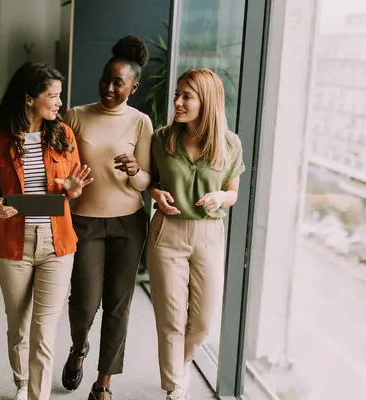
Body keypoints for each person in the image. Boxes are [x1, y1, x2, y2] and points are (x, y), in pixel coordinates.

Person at [0, 62, 93, 400]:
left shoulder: (63, 135)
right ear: (29, 98)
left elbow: (71, 190)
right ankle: (22, 384)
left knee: (43, 331)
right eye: (53, 96)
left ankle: (37, 396)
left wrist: (73, 190)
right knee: (19, 328)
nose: (60, 103)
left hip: (57, 245)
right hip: (12, 243)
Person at [61, 35, 153, 400]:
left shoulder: (141, 122)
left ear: (134, 86)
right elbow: (62, 169)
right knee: (84, 300)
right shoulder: (76, 116)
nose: (109, 88)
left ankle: (104, 381)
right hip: (84, 221)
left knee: (118, 303)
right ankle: (78, 347)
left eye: (119, 82)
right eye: (106, 79)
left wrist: (134, 170)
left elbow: (145, 180)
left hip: (128, 223)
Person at [147, 68, 245, 400]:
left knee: (202, 322)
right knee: (171, 318)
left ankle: (179, 364)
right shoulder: (161, 139)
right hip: (167, 233)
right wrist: (156, 194)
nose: (177, 101)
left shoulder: (230, 144)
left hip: (209, 235)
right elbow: (153, 183)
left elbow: (233, 192)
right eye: (177, 94)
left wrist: (221, 197)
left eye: (187, 96)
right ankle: (175, 388)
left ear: (208, 101)